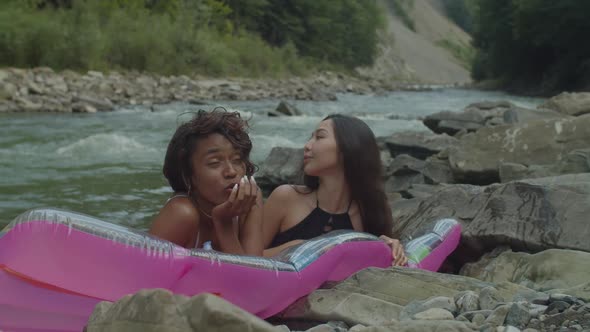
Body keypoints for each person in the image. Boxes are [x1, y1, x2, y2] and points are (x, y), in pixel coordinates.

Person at [262, 114, 407, 266]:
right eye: (311, 137)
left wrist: (389, 248)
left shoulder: (372, 210)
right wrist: (296, 248)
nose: (307, 145)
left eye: (319, 137)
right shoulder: (286, 197)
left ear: (348, 147)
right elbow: (247, 258)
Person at [149, 108, 263, 256]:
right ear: (187, 175)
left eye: (237, 160)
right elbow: (141, 276)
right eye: (215, 163)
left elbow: (254, 277)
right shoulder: (182, 213)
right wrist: (223, 222)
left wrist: (224, 223)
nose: (231, 172)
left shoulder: (250, 201)